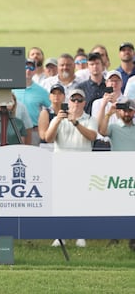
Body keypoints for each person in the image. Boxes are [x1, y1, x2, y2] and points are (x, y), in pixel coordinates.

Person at [45, 88, 97, 248]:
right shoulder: (59, 118)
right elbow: (48, 138)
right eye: (73, 100)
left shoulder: (90, 119)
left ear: (84, 103)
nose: (76, 103)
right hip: (61, 163)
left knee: (81, 201)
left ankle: (80, 235)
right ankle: (60, 236)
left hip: (82, 163)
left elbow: (92, 136)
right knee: (61, 202)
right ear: (69, 102)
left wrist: (75, 122)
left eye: (79, 100)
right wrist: (58, 121)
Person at [98, 97, 135, 251]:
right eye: (124, 110)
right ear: (119, 111)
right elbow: (101, 130)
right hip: (118, 172)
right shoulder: (113, 127)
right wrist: (108, 112)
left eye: (130, 110)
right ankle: (115, 236)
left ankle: (132, 239)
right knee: (117, 206)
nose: (127, 113)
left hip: (133, 172)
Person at [12, 58, 51, 146]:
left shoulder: (41, 91)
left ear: (35, 71)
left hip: (33, 132)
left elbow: (52, 107)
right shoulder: (12, 88)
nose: (28, 70)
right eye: (25, 67)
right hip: (13, 130)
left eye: (31, 68)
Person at [38, 84, 66, 148]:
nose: (56, 96)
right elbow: (43, 136)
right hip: (48, 146)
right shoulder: (45, 112)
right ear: (49, 97)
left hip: (63, 146)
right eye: (54, 94)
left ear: (64, 97)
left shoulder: (67, 112)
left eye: (59, 93)